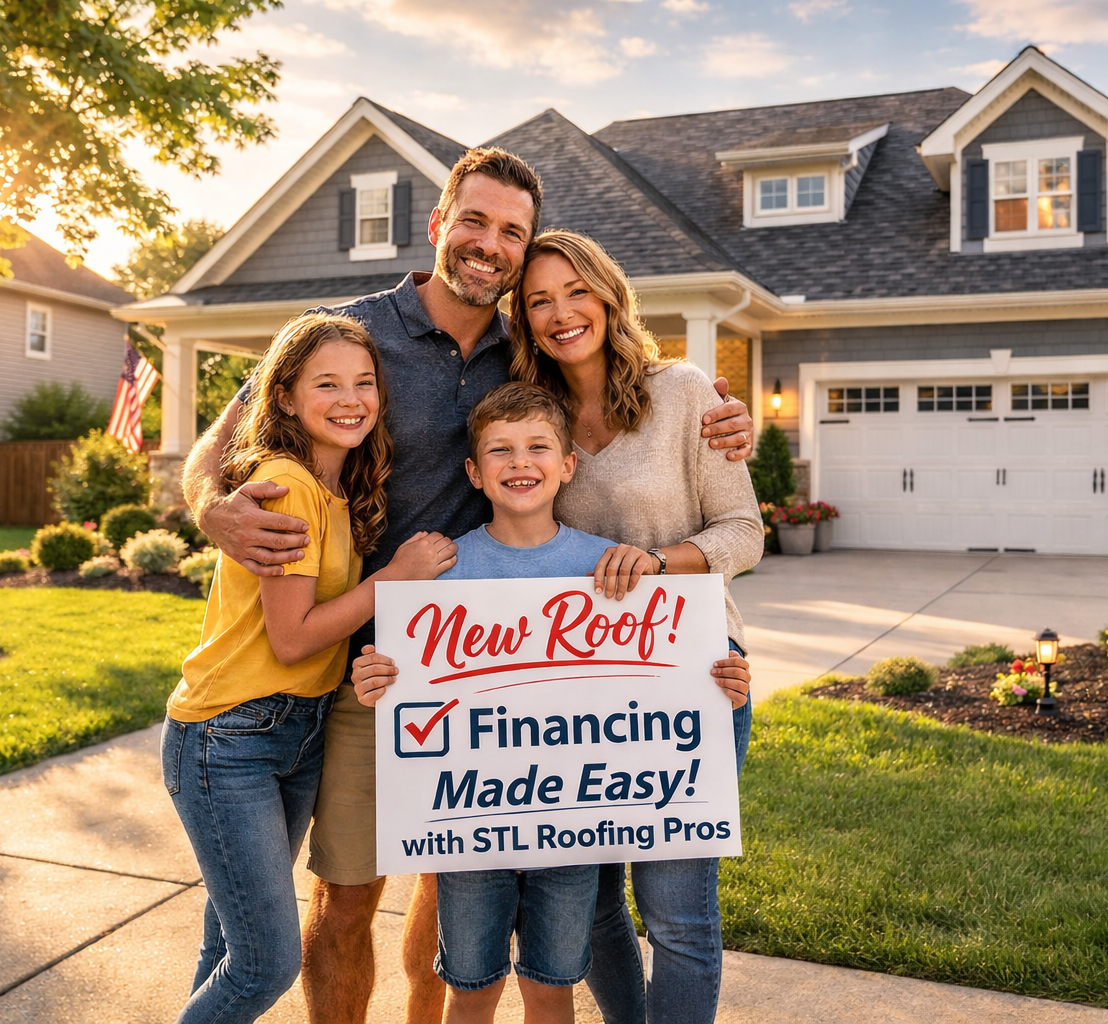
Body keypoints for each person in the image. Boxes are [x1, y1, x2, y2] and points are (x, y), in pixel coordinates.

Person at [180, 147, 756, 1024]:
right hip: (365, 661)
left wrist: (723, 415)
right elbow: (218, 450)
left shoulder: (527, 359)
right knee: (344, 897)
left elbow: (648, 436)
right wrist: (212, 506)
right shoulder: (348, 331)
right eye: (476, 221)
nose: (491, 243)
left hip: (492, 671)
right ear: (438, 222)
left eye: (512, 233)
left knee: (450, 889)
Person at [415, 381, 753, 1024]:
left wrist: (717, 686)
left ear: (568, 466)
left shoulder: (612, 568)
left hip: (572, 830)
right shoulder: (443, 577)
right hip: (470, 829)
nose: (520, 463)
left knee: (554, 979)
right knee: (470, 983)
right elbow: (411, 690)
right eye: (501, 451)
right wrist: (381, 678)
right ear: (473, 472)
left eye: (539, 447)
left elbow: (672, 666)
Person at [510, 229, 764, 1024]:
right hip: (573, 689)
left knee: (677, 912)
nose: (561, 313)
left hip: (691, 673)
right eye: (540, 300)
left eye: (576, 291)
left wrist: (657, 562)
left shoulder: (683, 391)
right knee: (588, 907)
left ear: (609, 294)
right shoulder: (529, 413)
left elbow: (744, 532)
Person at [160, 313, 439, 1024]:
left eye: (364, 383)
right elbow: (294, 638)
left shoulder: (334, 485)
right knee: (264, 964)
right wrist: (397, 578)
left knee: (227, 945)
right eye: (327, 384)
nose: (351, 399)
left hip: (293, 731)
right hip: (232, 739)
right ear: (283, 396)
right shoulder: (286, 485)